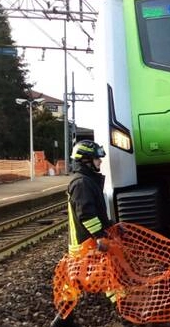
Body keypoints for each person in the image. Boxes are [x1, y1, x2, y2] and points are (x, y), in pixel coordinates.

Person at [51, 140, 115, 327]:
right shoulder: (82, 183)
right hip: (86, 243)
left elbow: (95, 212)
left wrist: (109, 225)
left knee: (76, 282)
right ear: (86, 160)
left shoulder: (86, 181)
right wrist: (99, 236)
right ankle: (126, 311)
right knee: (108, 275)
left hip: (85, 242)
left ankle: (63, 319)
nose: (100, 162)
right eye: (97, 159)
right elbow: (86, 214)